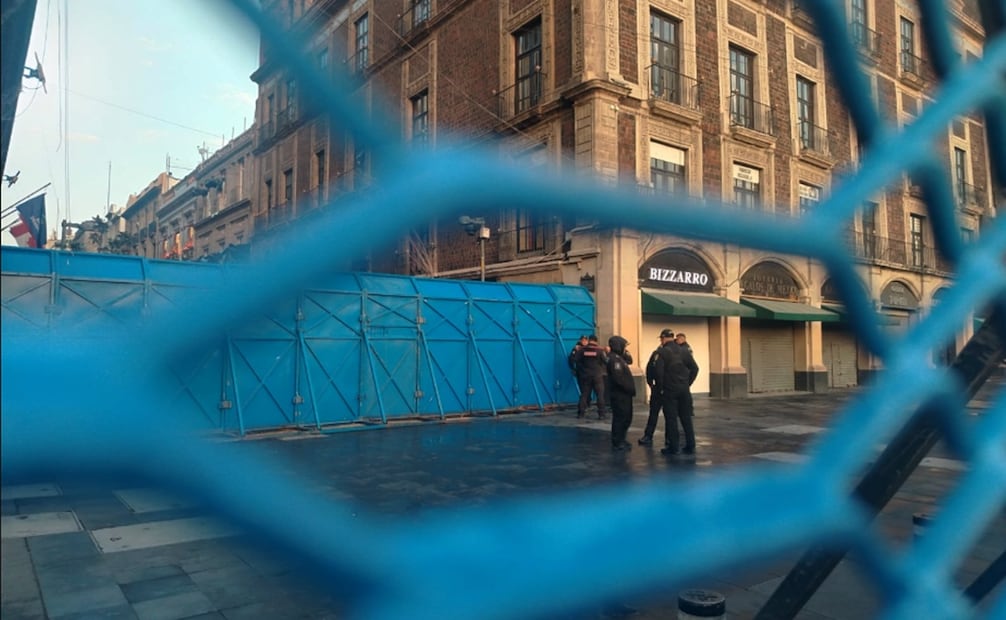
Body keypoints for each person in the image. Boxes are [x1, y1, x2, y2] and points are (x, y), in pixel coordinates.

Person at [652, 328, 699, 456]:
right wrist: (687, 383)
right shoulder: (684, 351)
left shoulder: (661, 352)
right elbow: (695, 368)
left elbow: (659, 373)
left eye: (661, 338)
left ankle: (674, 447)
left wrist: (661, 388)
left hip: (669, 390)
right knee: (686, 418)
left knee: (671, 418)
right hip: (684, 389)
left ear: (663, 338)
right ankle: (690, 444)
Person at [605, 335, 636, 451]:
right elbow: (618, 379)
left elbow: (630, 360)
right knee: (620, 418)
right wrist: (629, 388)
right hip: (620, 394)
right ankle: (618, 441)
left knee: (626, 417)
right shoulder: (614, 360)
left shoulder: (619, 357)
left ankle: (622, 439)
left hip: (624, 394)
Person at [637, 332, 665, 446]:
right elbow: (649, 368)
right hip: (659, 388)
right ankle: (648, 435)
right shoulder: (656, 353)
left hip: (665, 388)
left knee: (669, 415)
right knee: (654, 413)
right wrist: (650, 383)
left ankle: (651, 436)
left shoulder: (672, 353)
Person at [573, 334, 608, 419]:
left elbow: (575, 360)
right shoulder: (599, 351)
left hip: (585, 376)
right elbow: (605, 361)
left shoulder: (582, 350)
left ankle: (581, 413)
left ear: (589, 340)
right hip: (597, 376)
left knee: (584, 395)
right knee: (600, 395)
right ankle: (601, 414)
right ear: (596, 341)